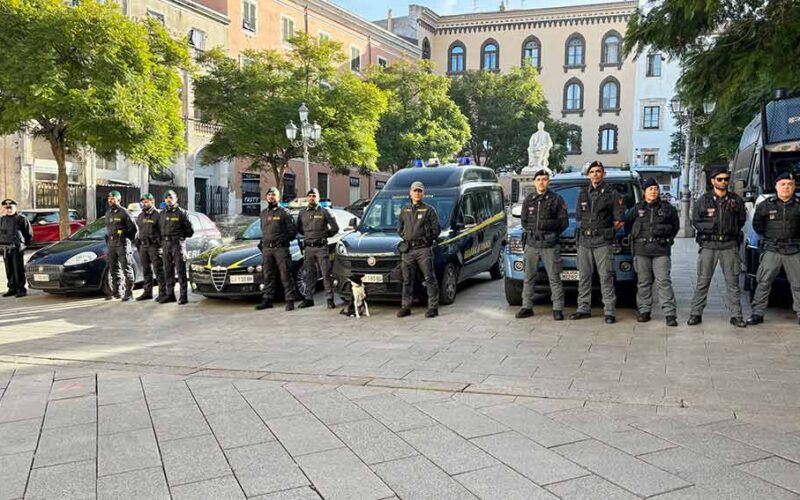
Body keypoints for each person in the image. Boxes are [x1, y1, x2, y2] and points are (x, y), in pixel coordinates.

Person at [688, 166, 747, 328]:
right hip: (709, 245)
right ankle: (695, 313)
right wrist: (711, 228)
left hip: (729, 245)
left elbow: (741, 221)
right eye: (720, 179)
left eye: (726, 179)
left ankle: (736, 315)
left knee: (732, 282)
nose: (723, 182)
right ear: (713, 181)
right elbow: (696, 221)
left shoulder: (736, 201)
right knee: (703, 281)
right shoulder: (704, 200)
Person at [571, 160, 625, 324]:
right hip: (585, 241)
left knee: (605, 277)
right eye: (592, 171)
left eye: (598, 171)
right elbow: (579, 217)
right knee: (584, 277)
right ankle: (583, 308)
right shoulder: (583, 193)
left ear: (603, 174)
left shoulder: (612, 194)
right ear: (588, 175)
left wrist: (605, 232)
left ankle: (609, 311)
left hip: (602, 242)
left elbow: (619, 220)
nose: (595, 174)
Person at [626, 178, 680, 326]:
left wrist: (667, 240)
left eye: (656, 189)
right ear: (644, 192)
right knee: (644, 282)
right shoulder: (637, 208)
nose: (654, 191)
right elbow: (627, 223)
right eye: (650, 189)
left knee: (663, 281)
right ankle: (644, 311)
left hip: (661, 250)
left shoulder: (667, 208)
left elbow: (675, 226)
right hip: (641, 250)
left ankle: (669, 314)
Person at [516, 169, 568, 320]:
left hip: (550, 245)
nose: (541, 182)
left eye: (544, 179)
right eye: (538, 179)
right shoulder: (529, 199)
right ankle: (526, 306)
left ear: (548, 182)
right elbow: (524, 221)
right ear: (534, 182)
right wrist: (534, 231)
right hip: (532, 244)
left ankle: (557, 309)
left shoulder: (556, 199)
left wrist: (548, 229)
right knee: (528, 277)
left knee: (554, 277)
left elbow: (563, 222)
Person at [748, 172, 800, 325]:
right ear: (777, 186)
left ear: (794, 187)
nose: (786, 188)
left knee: (798, 285)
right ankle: (757, 313)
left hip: (794, 250)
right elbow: (757, 225)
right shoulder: (766, 205)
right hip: (772, 249)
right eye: (783, 184)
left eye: (789, 185)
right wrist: (770, 238)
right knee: (763, 282)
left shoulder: (798, 205)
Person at [397, 181, 441, 318]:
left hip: (423, 250)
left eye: (419, 191)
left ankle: (433, 307)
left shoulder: (429, 210)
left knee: (429, 278)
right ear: (410, 193)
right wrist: (405, 236)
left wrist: (427, 239)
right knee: (407, 280)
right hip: (408, 250)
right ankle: (406, 307)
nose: (417, 193)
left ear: (423, 193)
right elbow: (399, 228)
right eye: (415, 191)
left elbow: (436, 230)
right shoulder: (404, 210)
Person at [255, 187, 298, 311]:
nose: (271, 197)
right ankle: (267, 299)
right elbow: (263, 230)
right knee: (268, 275)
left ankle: (290, 300)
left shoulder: (284, 212)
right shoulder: (263, 213)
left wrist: (283, 240)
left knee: (285, 274)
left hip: (280, 249)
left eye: (273, 195)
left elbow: (292, 231)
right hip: (267, 249)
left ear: (278, 197)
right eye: (269, 195)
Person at [297, 188, 339, 309]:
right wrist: (308, 237)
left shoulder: (325, 211)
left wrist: (324, 236)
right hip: (309, 248)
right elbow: (298, 228)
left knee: (326, 274)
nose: (311, 198)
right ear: (307, 198)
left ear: (318, 197)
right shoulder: (302, 213)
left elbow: (335, 228)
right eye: (309, 196)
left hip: (321, 247)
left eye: (314, 196)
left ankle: (329, 299)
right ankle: (308, 298)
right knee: (309, 274)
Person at [157, 190, 194, 305]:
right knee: (168, 271)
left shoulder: (182, 213)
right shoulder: (162, 213)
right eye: (167, 198)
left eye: (171, 197)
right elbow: (159, 230)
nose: (169, 199)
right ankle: (170, 295)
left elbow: (190, 231)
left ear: (176, 198)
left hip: (177, 244)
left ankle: (183, 296)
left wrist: (180, 237)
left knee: (180, 270)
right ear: (164, 200)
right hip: (165, 244)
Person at [105, 191, 138, 301]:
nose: (110, 200)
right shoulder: (108, 213)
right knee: (114, 268)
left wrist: (125, 237)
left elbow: (133, 229)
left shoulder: (124, 212)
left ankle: (128, 293)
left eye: (113, 198)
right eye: (109, 198)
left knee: (126, 268)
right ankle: (117, 292)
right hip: (111, 244)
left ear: (118, 199)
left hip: (122, 244)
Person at [0, 199, 33, 297]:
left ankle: (21, 289)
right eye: (7, 208)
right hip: (5, 248)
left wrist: (24, 245)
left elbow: (29, 233)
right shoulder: (2, 219)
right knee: (9, 269)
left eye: (10, 208)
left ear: (15, 208)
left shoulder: (21, 218)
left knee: (17, 269)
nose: (8, 210)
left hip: (17, 248)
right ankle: (12, 288)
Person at [135, 193, 164, 301]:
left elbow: (163, 232)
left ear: (152, 202)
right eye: (143, 202)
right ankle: (148, 292)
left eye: (146, 201)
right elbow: (139, 230)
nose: (144, 204)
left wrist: (160, 245)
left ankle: (163, 292)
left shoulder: (158, 215)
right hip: (143, 246)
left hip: (154, 246)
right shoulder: (141, 215)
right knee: (146, 270)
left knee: (158, 270)